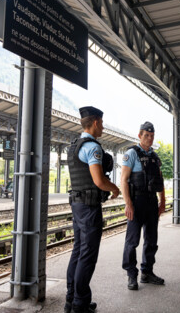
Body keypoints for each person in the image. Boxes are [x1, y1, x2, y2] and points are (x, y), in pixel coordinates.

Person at [65, 106, 120, 313]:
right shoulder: (93, 147)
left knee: (78, 251)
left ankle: (71, 300)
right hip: (89, 207)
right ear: (96, 122)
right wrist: (114, 188)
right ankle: (80, 304)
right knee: (87, 255)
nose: (103, 127)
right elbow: (99, 181)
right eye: (102, 123)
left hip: (77, 204)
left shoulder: (74, 145)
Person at [121, 121, 166, 290]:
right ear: (140, 135)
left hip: (151, 202)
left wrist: (162, 201)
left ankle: (147, 272)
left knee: (151, 240)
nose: (149, 138)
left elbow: (160, 181)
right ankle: (132, 275)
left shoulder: (155, 157)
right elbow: (124, 180)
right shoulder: (131, 154)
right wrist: (128, 204)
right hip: (136, 202)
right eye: (146, 135)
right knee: (132, 241)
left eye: (152, 135)